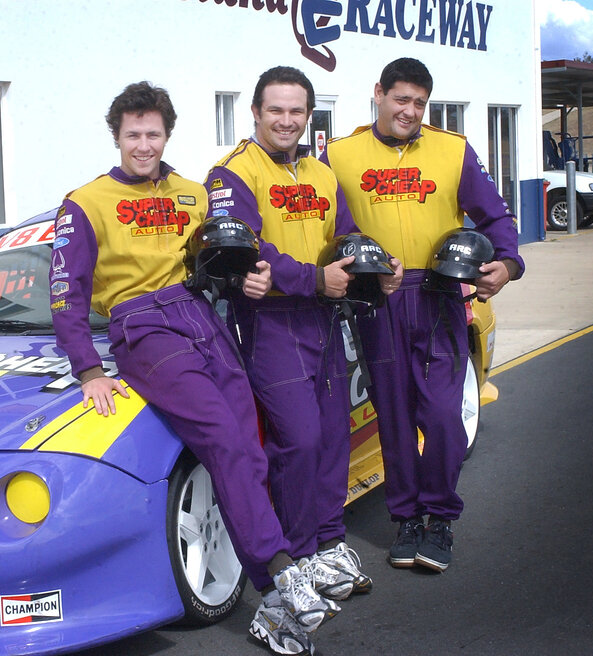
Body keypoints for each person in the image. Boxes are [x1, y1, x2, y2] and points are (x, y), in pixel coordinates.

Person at [50, 81, 335, 656]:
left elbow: (224, 258)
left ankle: (274, 608)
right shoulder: (84, 202)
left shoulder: (191, 193)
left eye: (153, 134)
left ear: (166, 134)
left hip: (200, 317)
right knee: (225, 438)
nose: (144, 145)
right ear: (117, 136)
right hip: (142, 327)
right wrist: (88, 369)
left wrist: (250, 277)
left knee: (249, 447)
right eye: (133, 135)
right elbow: (67, 294)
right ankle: (282, 570)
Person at [203, 66, 402, 653]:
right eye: (276, 111)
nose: (287, 121)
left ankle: (328, 545)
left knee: (334, 438)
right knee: (300, 441)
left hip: (324, 317)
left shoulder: (321, 171)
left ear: (309, 115)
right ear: (256, 114)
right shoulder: (233, 172)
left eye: (297, 112)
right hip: (270, 323)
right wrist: (317, 279)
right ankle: (298, 558)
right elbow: (249, 247)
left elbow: (347, 233)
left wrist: (379, 265)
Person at [321, 57, 524, 572]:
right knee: (391, 415)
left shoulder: (452, 149)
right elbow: (325, 229)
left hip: (438, 296)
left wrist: (509, 263)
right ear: (378, 94)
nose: (409, 111)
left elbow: (495, 215)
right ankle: (407, 520)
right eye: (400, 99)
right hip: (377, 300)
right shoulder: (340, 154)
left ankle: (441, 519)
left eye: (419, 102)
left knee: (440, 415)